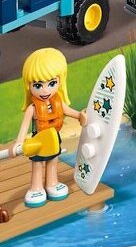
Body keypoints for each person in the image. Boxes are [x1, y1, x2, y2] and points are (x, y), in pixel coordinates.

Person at [14, 48, 86, 208]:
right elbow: (24, 126)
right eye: (38, 85)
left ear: (60, 81)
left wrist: (80, 116)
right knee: (37, 164)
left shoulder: (57, 102)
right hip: (38, 140)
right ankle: (36, 187)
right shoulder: (33, 108)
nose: (45, 90)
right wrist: (19, 142)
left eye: (52, 83)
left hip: (54, 137)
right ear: (29, 85)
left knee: (53, 161)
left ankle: (52, 183)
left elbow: (69, 111)